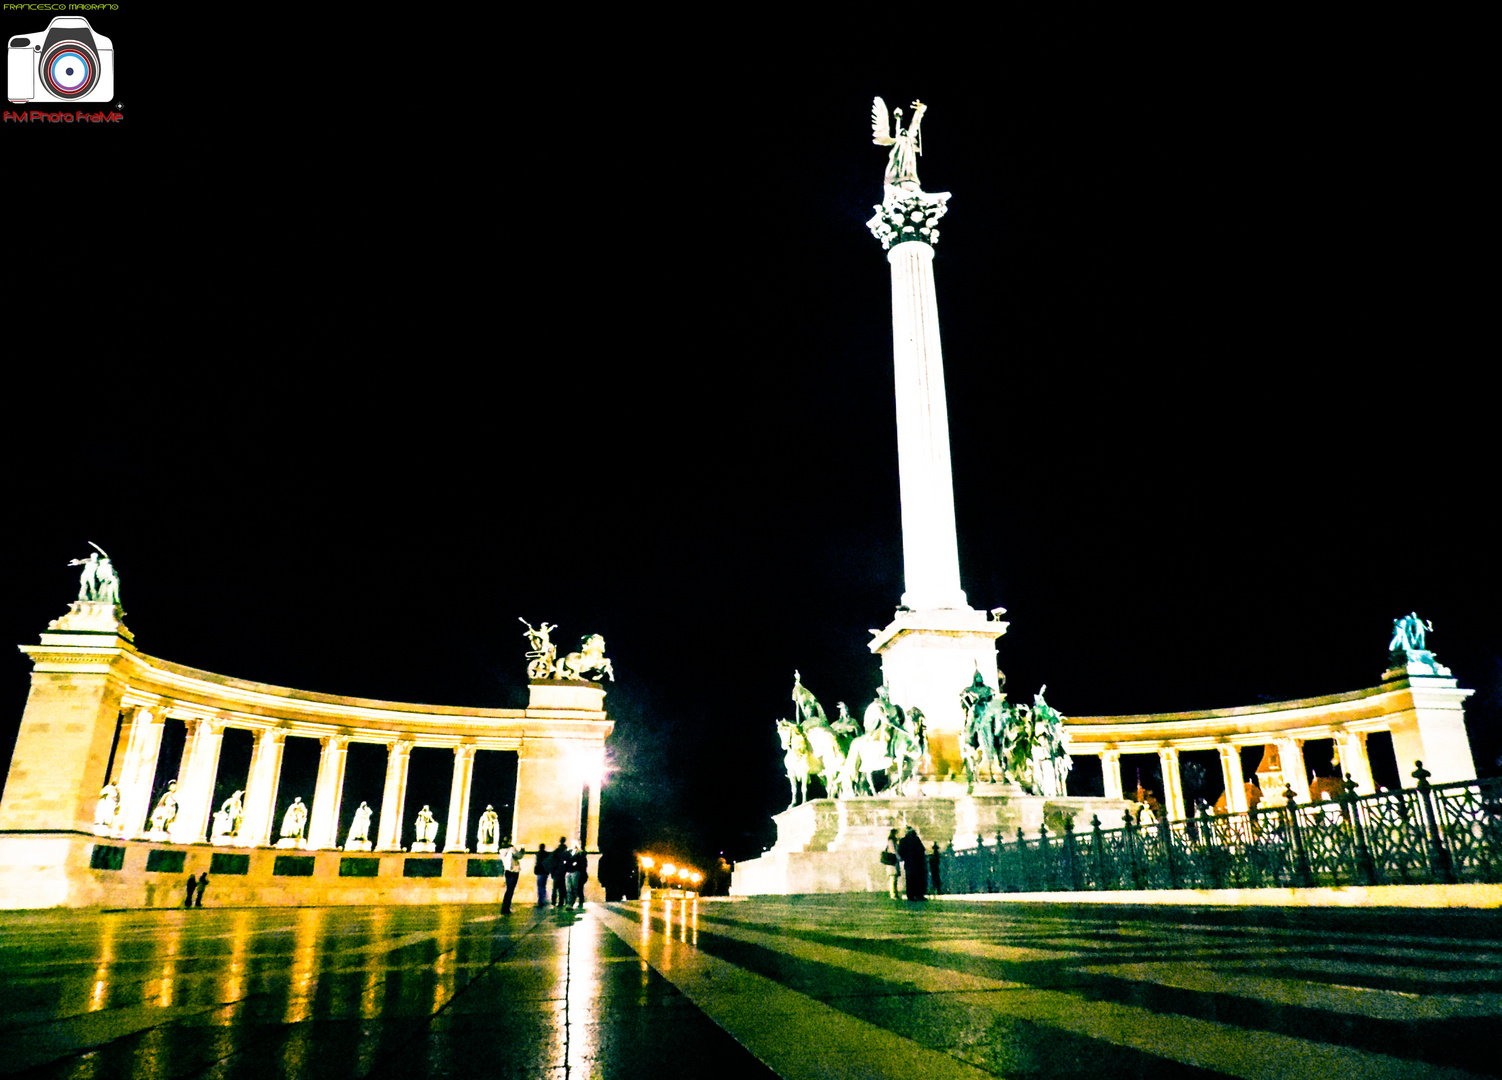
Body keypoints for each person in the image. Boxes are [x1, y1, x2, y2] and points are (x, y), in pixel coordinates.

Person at [897, 826, 928, 901]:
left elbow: (900, 851)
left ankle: (910, 895)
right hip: (918, 863)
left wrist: (905, 858)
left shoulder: (903, 841)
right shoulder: (916, 840)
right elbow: (922, 850)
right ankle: (919, 895)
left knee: (910, 879)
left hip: (909, 863)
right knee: (919, 879)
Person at [499, 837, 520, 914]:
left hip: (507, 871)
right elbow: (519, 856)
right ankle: (506, 908)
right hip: (514, 871)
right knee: (510, 891)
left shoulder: (501, 851)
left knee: (508, 890)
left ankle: (505, 907)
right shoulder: (512, 849)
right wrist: (522, 850)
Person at [881, 828, 900, 899]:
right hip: (893, 862)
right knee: (893, 878)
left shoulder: (892, 841)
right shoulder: (891, 841)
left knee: (894, 878)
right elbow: (894, 851)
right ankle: (893, 893)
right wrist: (899, 857)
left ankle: (895, 892)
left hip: (893, 862)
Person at [550, 836, 569, 907]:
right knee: (562, 888)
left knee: (555, 888)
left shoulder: (556, 851)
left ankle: (554, 901)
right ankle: (562, 901)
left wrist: (552, 872)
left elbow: (552, 862)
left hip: (557, 872)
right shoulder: (566, 851)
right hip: (563, 872)